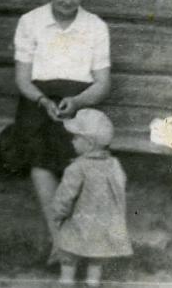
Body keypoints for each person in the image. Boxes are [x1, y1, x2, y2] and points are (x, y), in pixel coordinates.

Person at [5, 0, 111, 263]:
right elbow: (23, 79)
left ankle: (67, 242)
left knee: (74, 153)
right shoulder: (30, 22)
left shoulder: (95, 27)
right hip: (38, 100)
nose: (67, 2)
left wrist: (77, 102)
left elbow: (103, 84)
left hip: (79, 100)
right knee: (39, 154)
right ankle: (61, 241)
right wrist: (42, 101)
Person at [53, 108, 133, 286]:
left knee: (68, 251)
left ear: (88, 143)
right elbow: (120, 187)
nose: (72, 141)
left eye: (75, 137)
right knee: (97, 254)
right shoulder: (114, 164)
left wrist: (58, 214)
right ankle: (92, 281)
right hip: (104, 222)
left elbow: (65, 195)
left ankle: (66, 280)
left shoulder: (76, 168)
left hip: (80, 220)